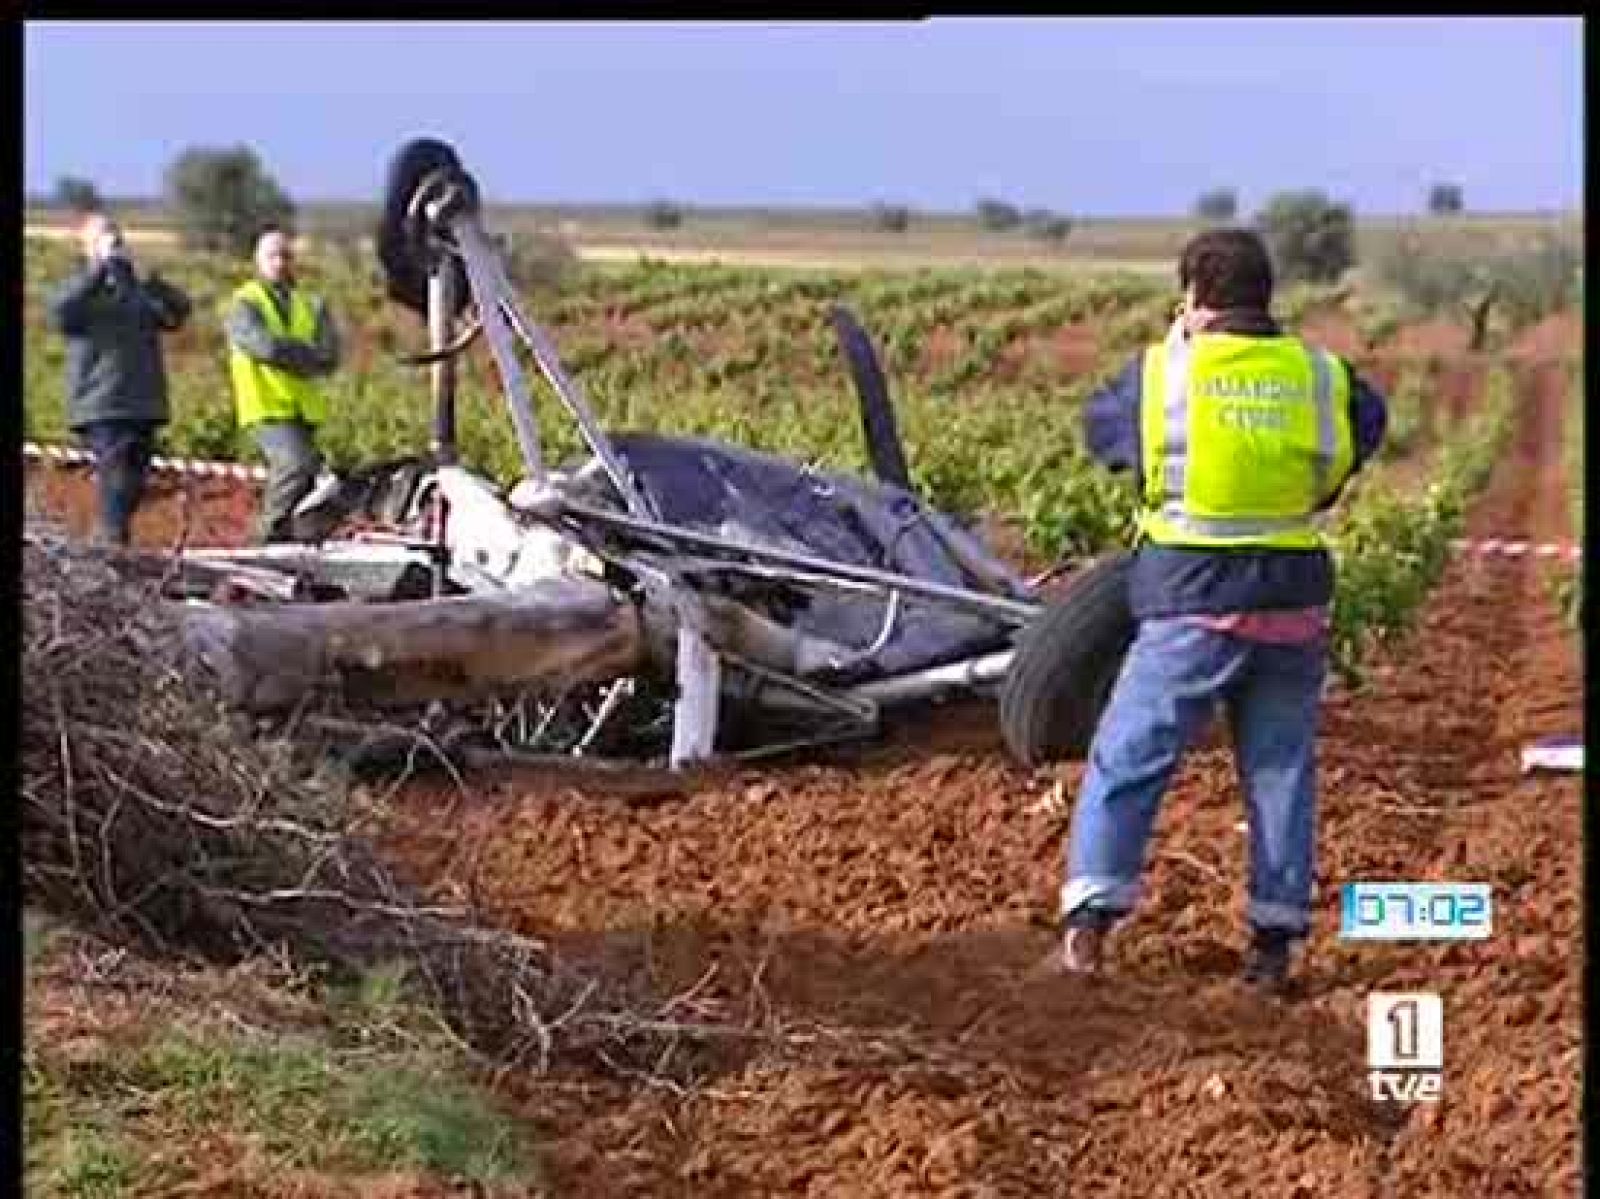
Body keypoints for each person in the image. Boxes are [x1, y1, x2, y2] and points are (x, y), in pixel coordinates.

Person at [1044, 227, 1388, 993]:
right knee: (1279, 770)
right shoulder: (1319, 375)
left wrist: (1181, 347)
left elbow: (1102, 434)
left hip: (1192, 597)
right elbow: (1368, 426)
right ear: (1268, 296)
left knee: (1130, 755)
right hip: (1293, 601)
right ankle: (1272, 948)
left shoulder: (1166, 373)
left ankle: (1087, 930)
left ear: (1195, 295)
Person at [46, 212, 192, 546]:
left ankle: (105, 544)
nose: (113, 241)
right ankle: (112, 549)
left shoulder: (136, 291)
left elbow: (178, 312)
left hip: (143, 403)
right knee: (117, 479)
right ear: (85, 245)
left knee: (134, 485)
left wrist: (150, 281)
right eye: (102, 236)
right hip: (100, 404)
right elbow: (61, 311)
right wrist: (100, 269)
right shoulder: (78, 288)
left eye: (116, 235)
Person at [224, 225, 341, 543]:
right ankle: (263, 541)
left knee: (312, 482)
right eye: (272, 255)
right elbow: (265, 348)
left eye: (285, 255)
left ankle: (291, 546)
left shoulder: (310, 304)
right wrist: (307, 356)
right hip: (265, 406)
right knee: (295, 464)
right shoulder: (244, 304)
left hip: (304, 410)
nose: (280, 262)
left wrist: (290, 352)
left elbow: (331, 355)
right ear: (257, 260)